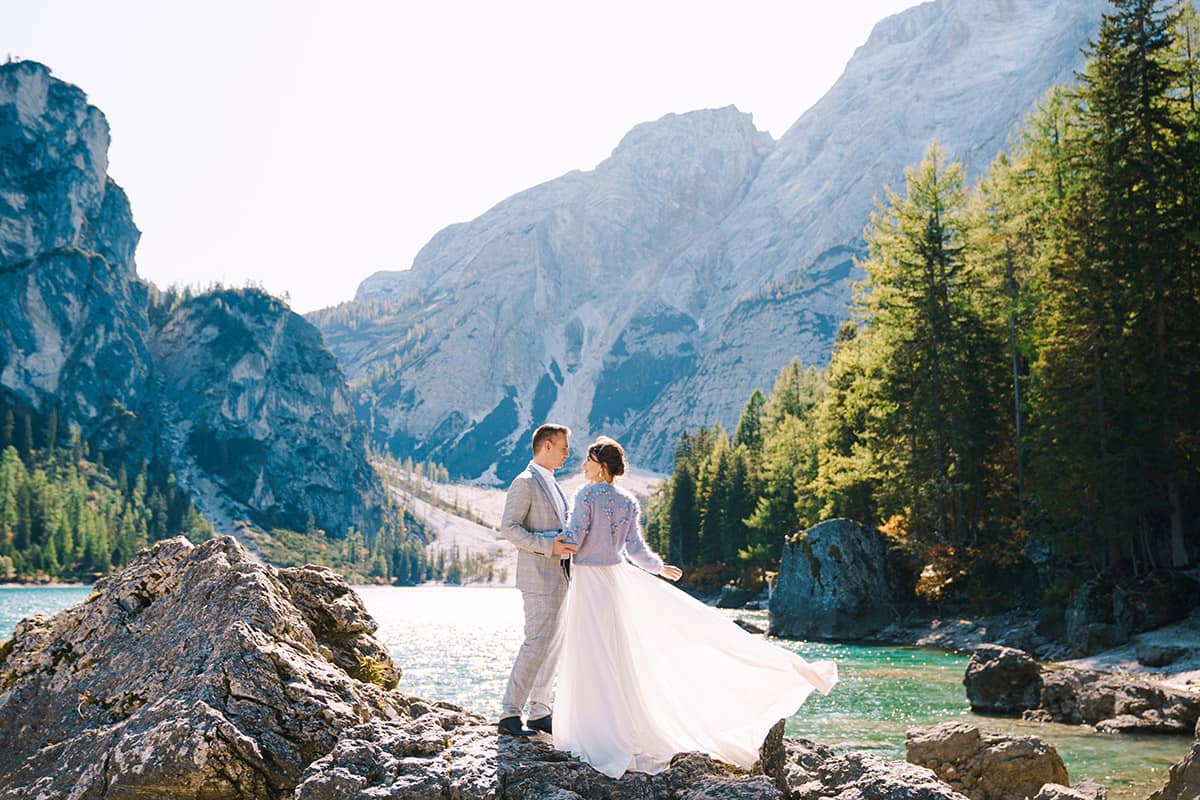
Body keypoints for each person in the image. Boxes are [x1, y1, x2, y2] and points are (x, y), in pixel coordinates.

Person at [553, 436, 838, 778]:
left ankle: (595, 732)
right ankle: (617, 728)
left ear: (599, 465)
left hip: (589, 584)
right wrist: (660, 568)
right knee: (614, 655)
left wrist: (540, 542)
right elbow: (636, 550)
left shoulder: (585, 496)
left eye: (586, 461)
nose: (581, 467)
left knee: (591, 655)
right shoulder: (628, 502)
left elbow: (574, 537)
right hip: (614, 583)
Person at [497, 423, 578, 737]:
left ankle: (540, 711)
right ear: (546, 445)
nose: (567, 453)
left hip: (560, 578)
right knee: (535, 645)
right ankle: (509, 714)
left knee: (553, 646)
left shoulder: (553, 483)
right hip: (538, 579)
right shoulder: (525, 482)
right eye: (563, 447)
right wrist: (550, 545)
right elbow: (509, 528)